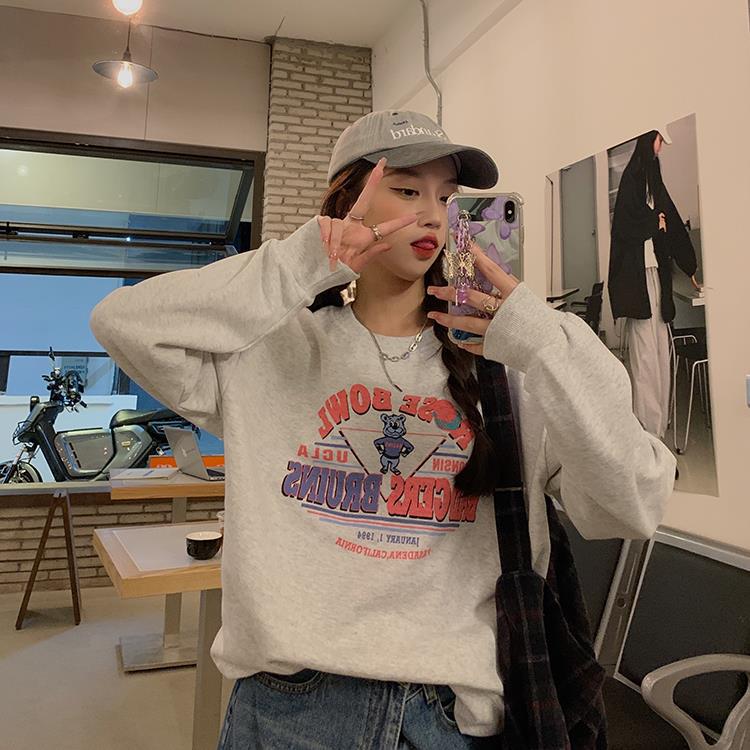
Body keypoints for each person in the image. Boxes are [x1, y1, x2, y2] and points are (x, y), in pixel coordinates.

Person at [90, 110, 676, 749]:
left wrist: (542, 339)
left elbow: (633, 505)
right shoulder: (269, 352)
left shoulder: (515, 370)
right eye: (406, 189)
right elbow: (124, 323)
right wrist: (302, 261)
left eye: (447, 198)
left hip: (452, 721)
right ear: (349, 202)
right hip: (292, 713)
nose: (433, 215)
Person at [607, 128, 699, 440]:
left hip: (656, 275)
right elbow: (623, 226)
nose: (661, 149)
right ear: (651, 140)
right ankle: (647, 431)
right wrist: (652, 222)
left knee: (661, 349)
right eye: (660, 142)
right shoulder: (632, 179)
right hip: (637, 278)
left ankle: (657, 426)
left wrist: (689, 266)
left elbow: (670, 220)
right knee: (645, 354)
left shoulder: (652, 181)